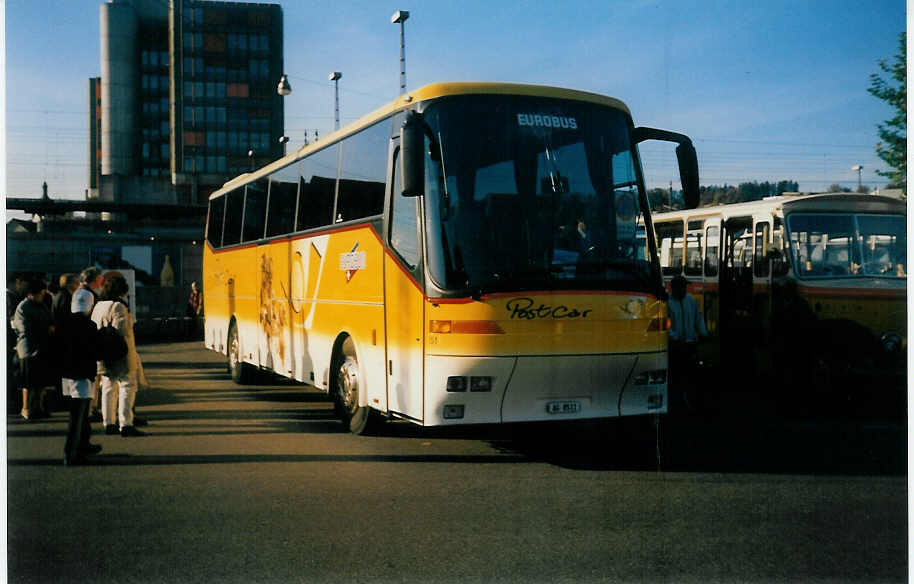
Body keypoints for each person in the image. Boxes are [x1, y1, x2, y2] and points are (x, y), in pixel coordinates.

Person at [91, 272, 144, 437]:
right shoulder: (119, 307)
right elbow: (122, 330)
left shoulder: (98, 306)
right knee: (127, 386)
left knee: (108, 387)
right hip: (120, 353)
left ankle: (109, 423)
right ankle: (126, 423)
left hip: (102, 352)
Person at [59, 293, 103, 465]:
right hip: (83, 374)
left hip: (67, 373)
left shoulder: (63, 323)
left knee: (78, 414)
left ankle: (82, 445)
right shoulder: (90, 326)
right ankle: (71, 453)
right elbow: (96, 351)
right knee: (79, 415)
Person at [12, 275, 55, 420]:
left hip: (41, 346)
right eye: (41, 293)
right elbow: (24, 329)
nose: (42, 296)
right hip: (28, 349)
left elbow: (50, 321)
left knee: (40, 381)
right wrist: (44, 330)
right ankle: (26, 408)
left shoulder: (41, 305)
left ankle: (38, 407)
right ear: (32, 294)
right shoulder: (23, 307)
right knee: (28, 382)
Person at [667, 275, 708, 411]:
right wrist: (674, 337)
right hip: (675, 346)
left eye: (685, 287)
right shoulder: (667, 303)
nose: (685, 289)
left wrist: (703, 333)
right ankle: (678, 401)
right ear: (675, 288)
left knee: (690, 376)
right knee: (677, 375)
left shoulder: (690, 300)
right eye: (682, 287)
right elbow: (665, 325)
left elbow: (698, 318)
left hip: (690, 344)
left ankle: (687, 400)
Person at [73, 267, 103, 420]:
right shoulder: (86, 294)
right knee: (89, 381)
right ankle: (90, 410)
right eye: (100, 278)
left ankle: (90, 409)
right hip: (87, 341)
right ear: (95, 279)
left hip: (79, 342)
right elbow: (84, 316)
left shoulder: (79, 292)